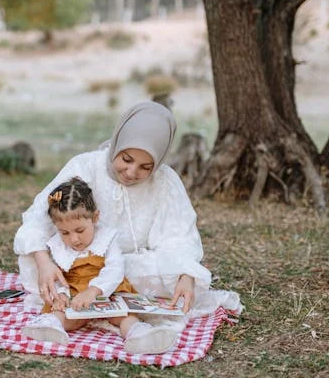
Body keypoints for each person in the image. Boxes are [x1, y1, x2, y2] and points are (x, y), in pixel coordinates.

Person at [15, 101, 241, 336]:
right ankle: (64, 311)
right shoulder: (85, 165)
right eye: (126, 159)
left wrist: (185, 275)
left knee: (171, 276)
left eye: (146, 167)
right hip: (75, 264)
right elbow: (37, 219)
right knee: (32, 260)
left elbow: (180, 237)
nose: (132, 173)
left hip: (129, 268)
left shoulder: (165, 181)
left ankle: (127, 321)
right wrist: (44, 263)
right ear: (117, 144)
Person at [21, 177, 175, 354]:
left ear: (95, 217)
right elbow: (58, 277)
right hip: (76, 295)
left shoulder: (107, 239)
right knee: (63, 313)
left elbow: (115, 270)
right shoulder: (57, 245)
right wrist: (61, 295)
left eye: (80, 230)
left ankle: (139, 335)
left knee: (124, 316)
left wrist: (94, 291)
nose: (74, 239)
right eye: (64, 232)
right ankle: (50, 326)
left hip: (109, 292)